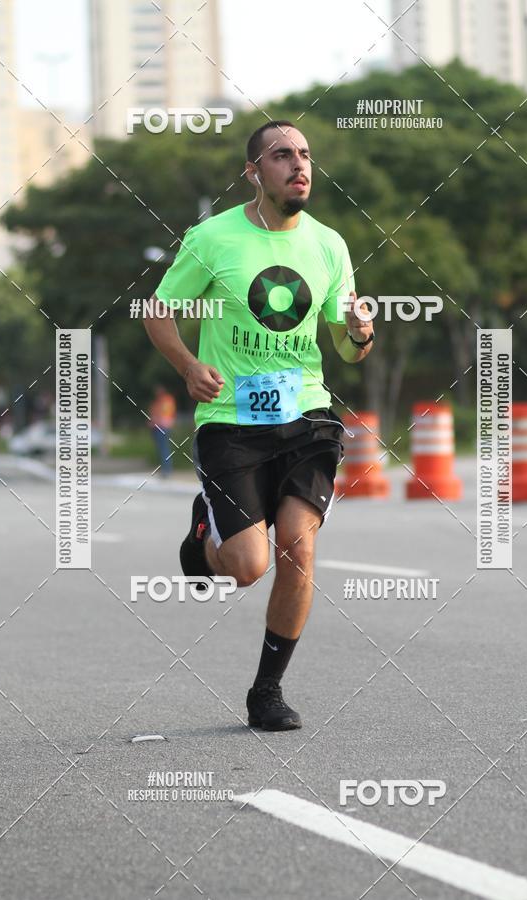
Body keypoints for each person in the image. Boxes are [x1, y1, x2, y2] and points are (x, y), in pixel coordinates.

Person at [144, 121, 374, 730]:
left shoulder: (330, 245)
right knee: (248, 567)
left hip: (307, 417)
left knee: (298, 547)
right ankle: (204, 537)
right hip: (231, 423)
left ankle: (266, 693)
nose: (299, 165)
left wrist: (359, 335)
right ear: (254, 172)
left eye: (304, 155)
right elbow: (159, 311)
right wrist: (189, 366)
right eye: (282, 156)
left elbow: (347, 349)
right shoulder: (213, 237)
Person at [149, 384, 177, 477]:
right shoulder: (158, 401)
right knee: (161, 449)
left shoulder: (166, 400)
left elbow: (164, 414)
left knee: (164, 448)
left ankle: (167, 470)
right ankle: (164, 469)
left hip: (163, 427)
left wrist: (156, 419)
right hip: (157, 427)